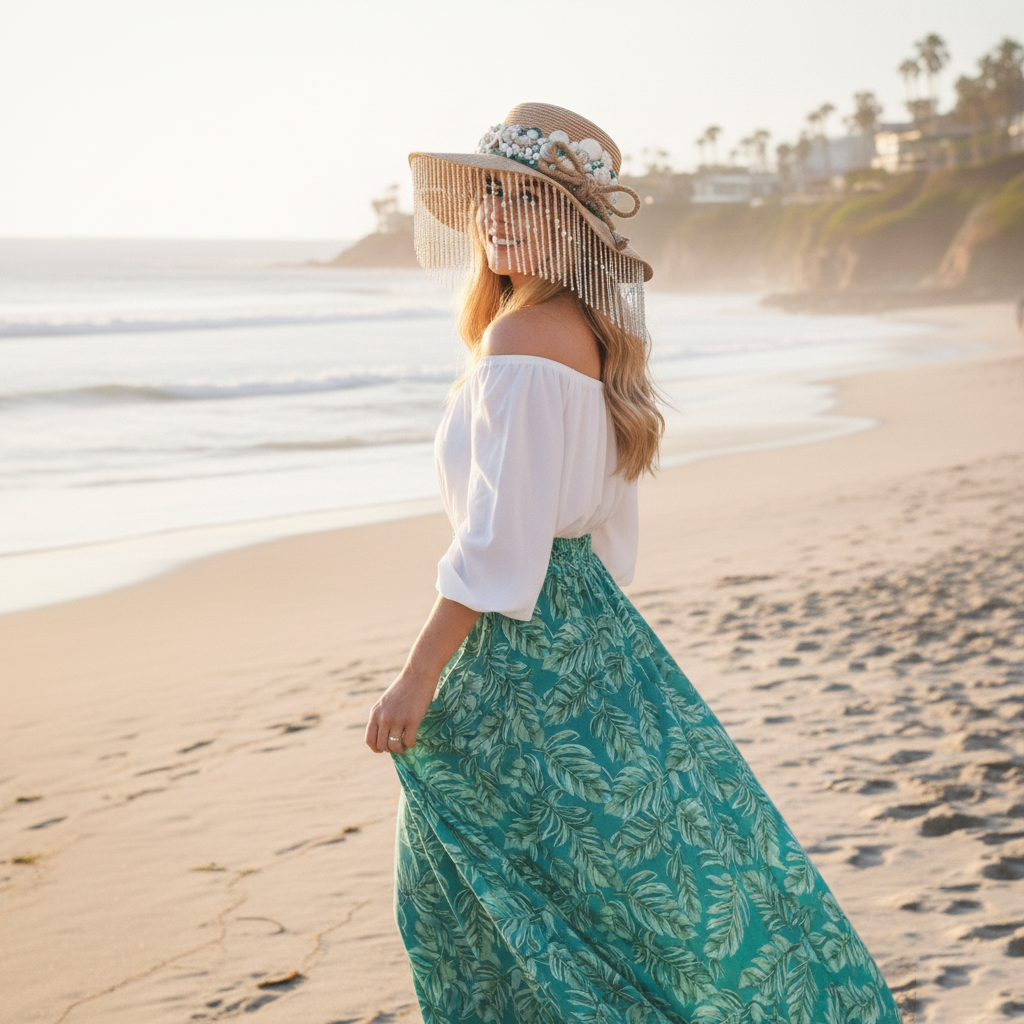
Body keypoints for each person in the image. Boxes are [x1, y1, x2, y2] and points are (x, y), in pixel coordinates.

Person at [365, 103, 902, 1024]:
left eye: (520, 197)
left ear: (570, 220)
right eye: (487, 195)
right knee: (615, 899)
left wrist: (417, 678)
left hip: (520, 646)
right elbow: (604, 532)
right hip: (592, 634)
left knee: (482, 897)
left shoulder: (522, 341)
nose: (494, 215)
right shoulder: (585, 335)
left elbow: (500, 545)